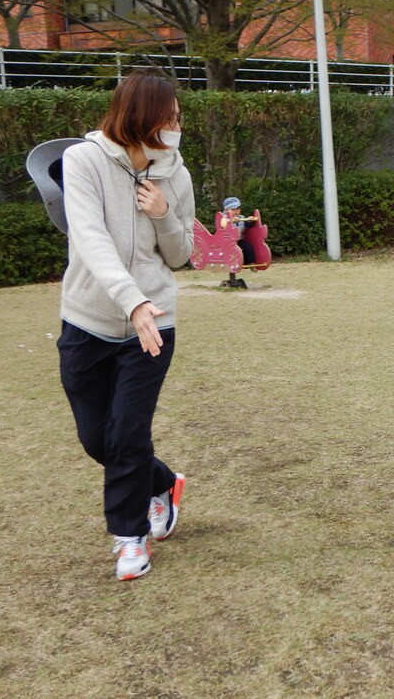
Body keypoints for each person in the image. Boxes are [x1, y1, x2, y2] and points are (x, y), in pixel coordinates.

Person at [57, 70, 194, 581]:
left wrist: (163, 214)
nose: (176, 127)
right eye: (170, 118)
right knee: (99, 440)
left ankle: (129, 538)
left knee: (127, 431)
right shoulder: (83, 160)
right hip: (88, 320)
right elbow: (89, 239)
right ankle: (162, 483)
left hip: (155, 323)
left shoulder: (175, 174)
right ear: (141, 117)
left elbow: (181, 256)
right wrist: (128, 301)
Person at [222, 196, 256, 265]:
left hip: (238, 239)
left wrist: (250, 221)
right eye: (233, 209)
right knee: (235, 251)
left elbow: (247, 225)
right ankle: (234, 263)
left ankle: (250, 263)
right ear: (226, 211)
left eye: (238, 209)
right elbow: (223, 226)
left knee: (248, 247)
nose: (236, 211)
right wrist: (232, 221)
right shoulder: (223, 218)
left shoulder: (241, 218)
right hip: (227, 241)